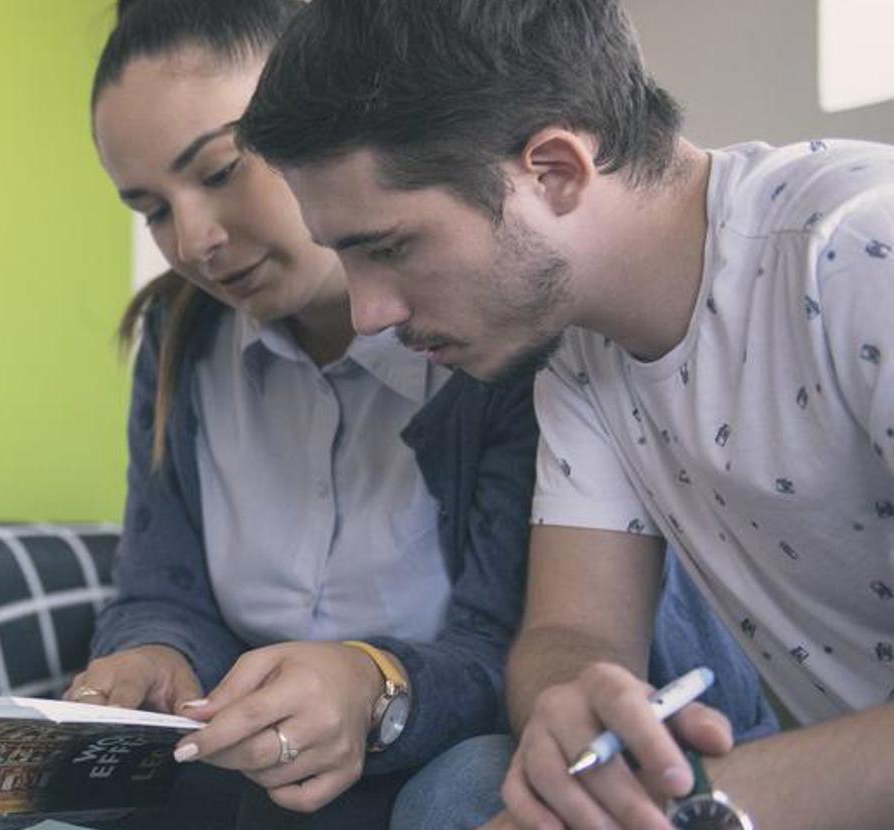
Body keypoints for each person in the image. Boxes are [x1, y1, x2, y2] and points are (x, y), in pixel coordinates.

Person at [68, 0, 773, 827]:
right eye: (150, 208)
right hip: (288, 767)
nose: (193, 243)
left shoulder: (507, 320)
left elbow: (539, 658)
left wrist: (375, 684)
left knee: (467, 784)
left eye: (224, 170)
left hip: (456, 751)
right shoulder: (181, 336)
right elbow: (160, 587)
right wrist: (158, 653)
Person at [239, 0, 894, 827]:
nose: (368, 313)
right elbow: (572, 629)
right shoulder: (581, 353)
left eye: (390, 246)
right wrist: (570, 704)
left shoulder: (860, 253)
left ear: (553, 171)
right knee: (474, 789)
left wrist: (698, 811)